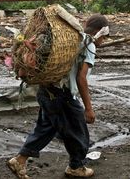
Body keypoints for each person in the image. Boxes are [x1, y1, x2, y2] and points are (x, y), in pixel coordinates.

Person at [7, 14, 110, 179]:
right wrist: (89, 109)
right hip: (63, 96)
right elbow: (81, 79)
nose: (103, 40)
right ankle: (76, 167)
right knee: (79, 132)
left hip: (46, 91)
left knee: (46, 128)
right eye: (104, 37)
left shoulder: (70, 39)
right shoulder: (89, 45)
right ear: (99, 32)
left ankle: (20, 160)